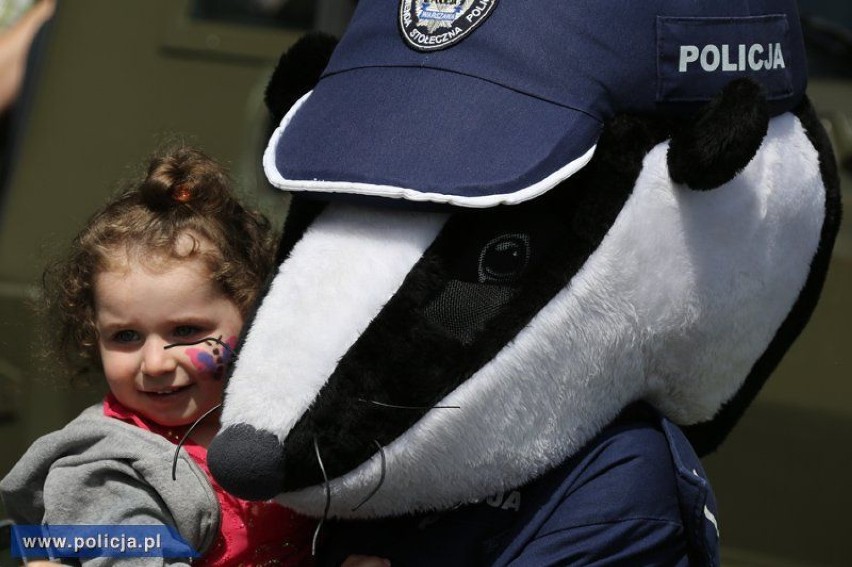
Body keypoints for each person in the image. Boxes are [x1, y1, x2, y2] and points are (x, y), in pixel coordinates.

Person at [0, 145, 315, 565]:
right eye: (125, 336)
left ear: (255, 313)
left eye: (186, 331)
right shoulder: (103, 471)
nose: (156, 363)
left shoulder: (293, 414)